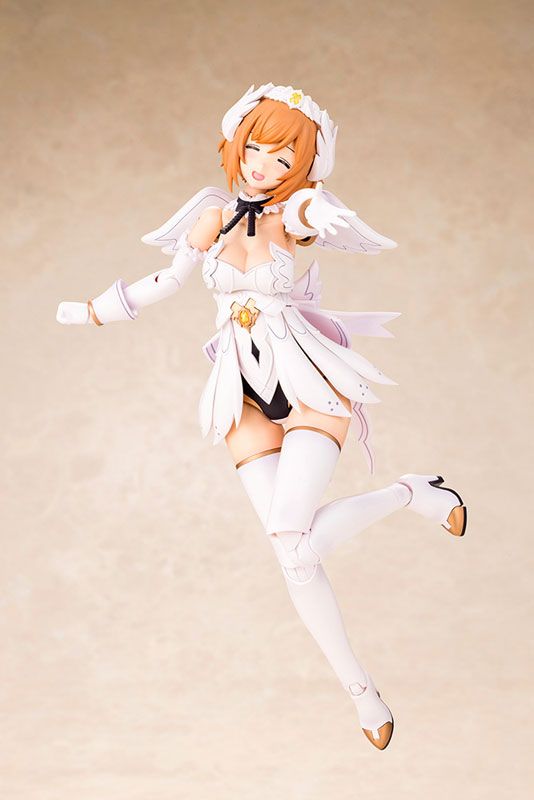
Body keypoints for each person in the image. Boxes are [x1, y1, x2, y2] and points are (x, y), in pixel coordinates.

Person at [57, 83, 467, 750]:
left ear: (304, 166)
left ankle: (409, 495)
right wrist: (94, 312)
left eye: (284, 158)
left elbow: (310, 215)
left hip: (307, 383)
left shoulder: (297, 210)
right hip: (240, 393)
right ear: (235, 145)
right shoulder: (213, 215)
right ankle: (361, 688)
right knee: (293, 557)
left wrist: (310, 204)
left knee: (293, 541)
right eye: (256, 149)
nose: (265, 167)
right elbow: (169, 281)